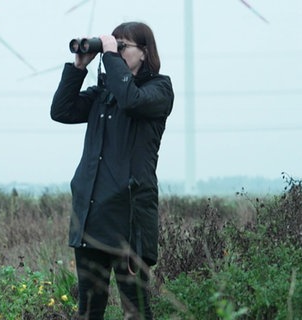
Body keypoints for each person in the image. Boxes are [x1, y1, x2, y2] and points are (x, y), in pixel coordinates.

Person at [50, 21, 174, 319]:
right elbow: (61, 112)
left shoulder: (158, 90)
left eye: (122, 46)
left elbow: (131, 100)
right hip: (91, 215)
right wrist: (79, 67)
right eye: (112, 45)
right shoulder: (103, 93)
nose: (114, 52)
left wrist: (109, 56)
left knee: (136, 310)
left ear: (144, 52)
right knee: (89, 310)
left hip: (128, 219)